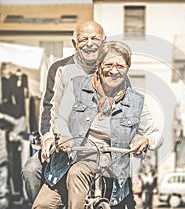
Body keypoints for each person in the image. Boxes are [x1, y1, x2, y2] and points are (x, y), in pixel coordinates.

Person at [32, 41, 163, 209]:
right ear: (99, 66)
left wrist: (146, 140)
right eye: (109, 64)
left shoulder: (136, 101)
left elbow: (156, 134)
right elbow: (60, 118)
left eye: (120, 66)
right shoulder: (76, 86)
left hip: (109, 162)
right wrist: (64, 136)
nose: (114, 71)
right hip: (68, 158)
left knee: (78, 172)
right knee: (41, 205)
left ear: (127, 68)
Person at [21, 20, 106, 202]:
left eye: (95, 38)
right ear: (74, 44)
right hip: (64, 142)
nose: (89, 43)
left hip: (98, 145)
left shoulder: (112, 68)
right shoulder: (59, 68)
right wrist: (49, 137)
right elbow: (49, 106)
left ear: (103, 42)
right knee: (31, 169)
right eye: (84, 39)